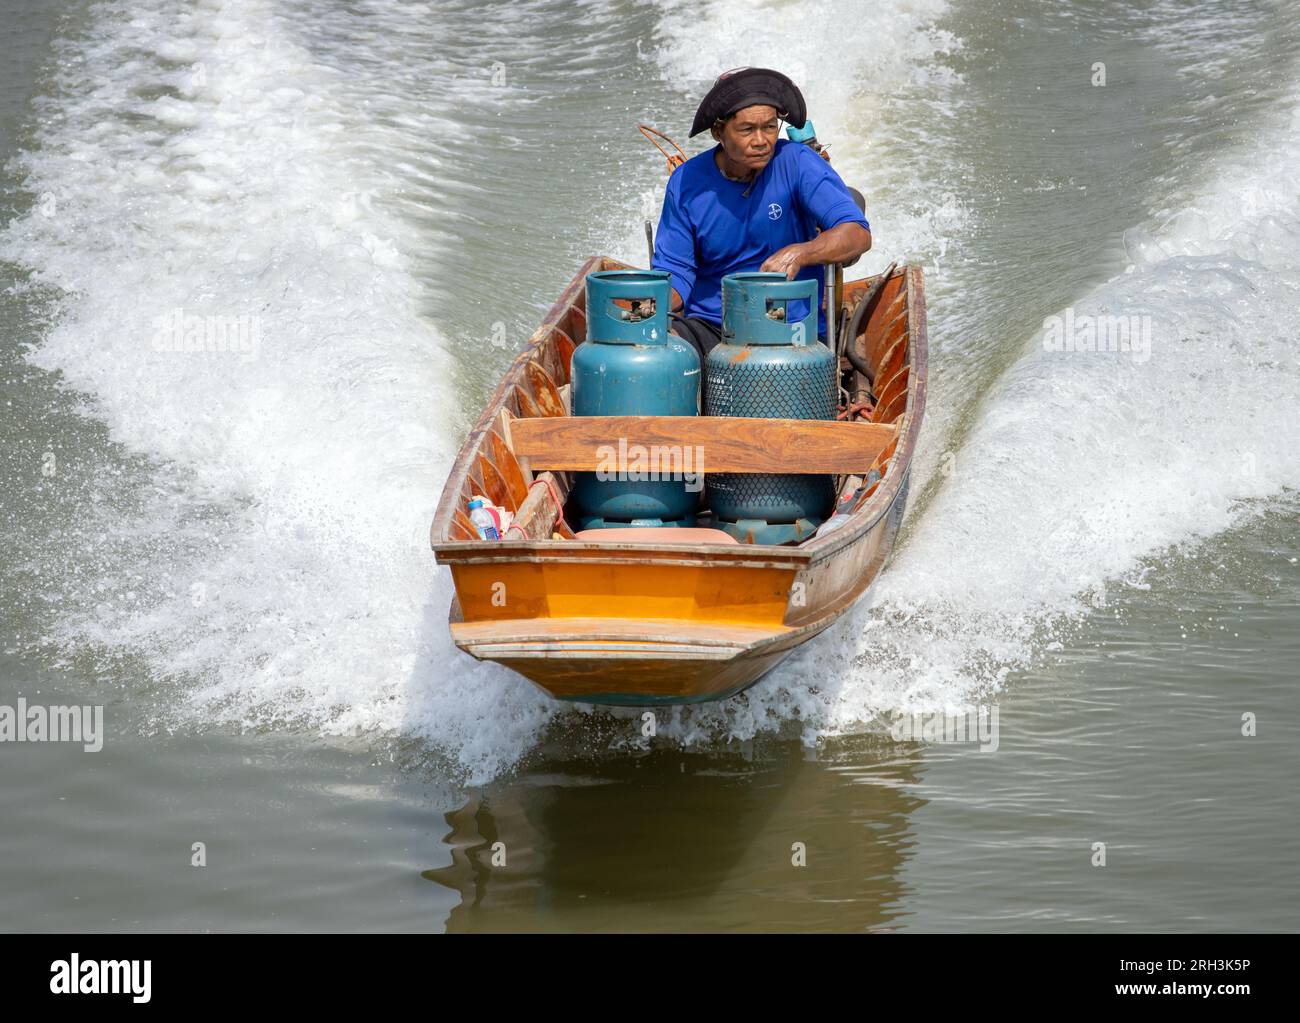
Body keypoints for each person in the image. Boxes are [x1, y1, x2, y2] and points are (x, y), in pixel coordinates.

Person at [651, 67, 872, 358]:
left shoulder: (797, 162)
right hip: (714, 326)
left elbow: (857, 233)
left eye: (769, 127)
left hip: (792, 327)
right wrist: (649, 310)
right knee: (661, 354)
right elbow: (676, 272)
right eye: (746, 130)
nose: (761, 140)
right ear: (718, 132)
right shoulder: (686, 182)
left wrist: (801, 253)